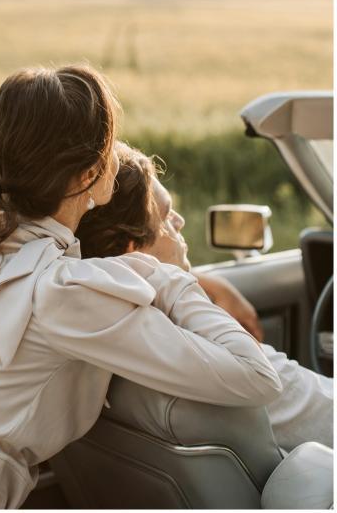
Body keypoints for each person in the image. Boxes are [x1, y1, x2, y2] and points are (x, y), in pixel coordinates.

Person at [0, 65, 283, 510]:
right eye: (110, 145)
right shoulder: (65, 294)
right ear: (87, 176)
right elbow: (257, 377)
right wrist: (169, 277)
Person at [76, 141, 334, 452]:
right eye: (167, 215)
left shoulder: (103, 333)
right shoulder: (226, 356)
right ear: (134, 249)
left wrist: (203, 281)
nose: (180, 222)